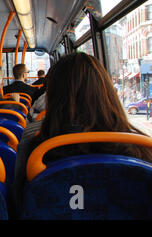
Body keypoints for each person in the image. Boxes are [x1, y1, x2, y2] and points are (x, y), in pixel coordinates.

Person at [13, 53, 152, 215]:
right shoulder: (141, 149)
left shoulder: (35, 150)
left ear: (53, 96)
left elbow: (20, 205)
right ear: (106, 92)